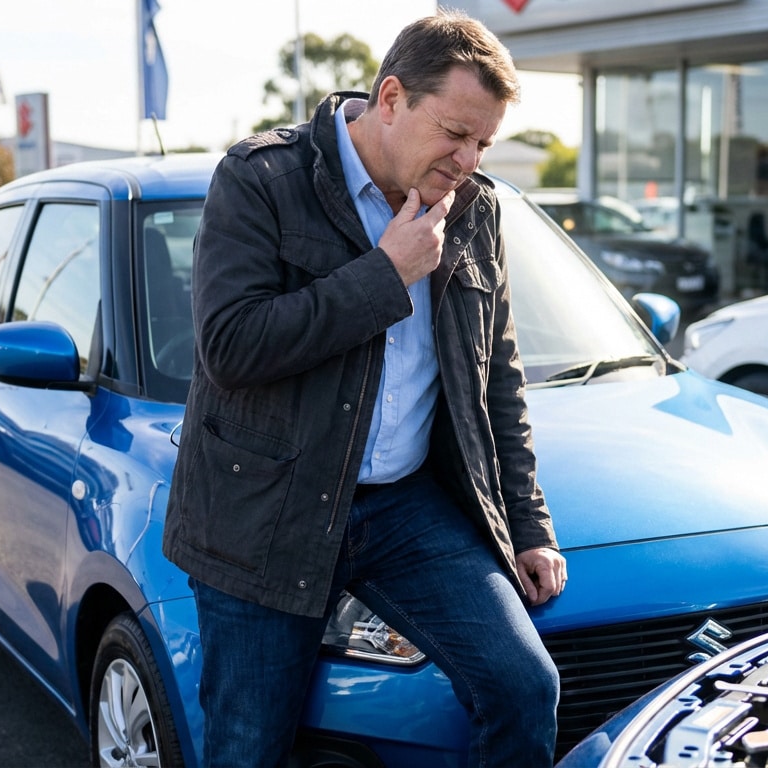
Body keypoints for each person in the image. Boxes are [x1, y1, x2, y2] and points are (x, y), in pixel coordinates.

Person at [162, 9, 568, 768]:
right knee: (247, 749)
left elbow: (497, 379)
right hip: (263, 511)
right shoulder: (260, 180)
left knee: (523, 686)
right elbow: (230, 347)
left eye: (484, 142)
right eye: (455, 133)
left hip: (404, 508)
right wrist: (386, 274)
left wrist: (530, 523)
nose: (469, 160)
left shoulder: (474, 210)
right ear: (390, 99)